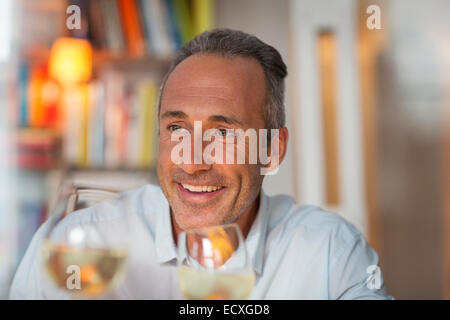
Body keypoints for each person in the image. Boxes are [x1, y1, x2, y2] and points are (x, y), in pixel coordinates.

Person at [10, 29, 393, 299]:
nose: (192, 162)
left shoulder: (329, 253)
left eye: (223, 134)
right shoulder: (78, 243)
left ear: (273, 150)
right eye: (176, 128)